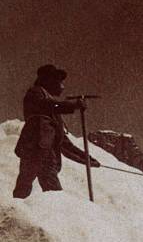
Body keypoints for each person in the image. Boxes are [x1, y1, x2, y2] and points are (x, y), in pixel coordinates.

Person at [13, 64, 100, 199]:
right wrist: (73, 105)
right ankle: (12, 213)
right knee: (25, 185)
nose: (62, 86)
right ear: (48, 80)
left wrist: (87, 159)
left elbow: (64, 143)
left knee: (51, 190)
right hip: (35, 148)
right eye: (59, 82)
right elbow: (46, 105)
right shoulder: (36, 93)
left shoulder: (53, 114)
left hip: (47, 154)